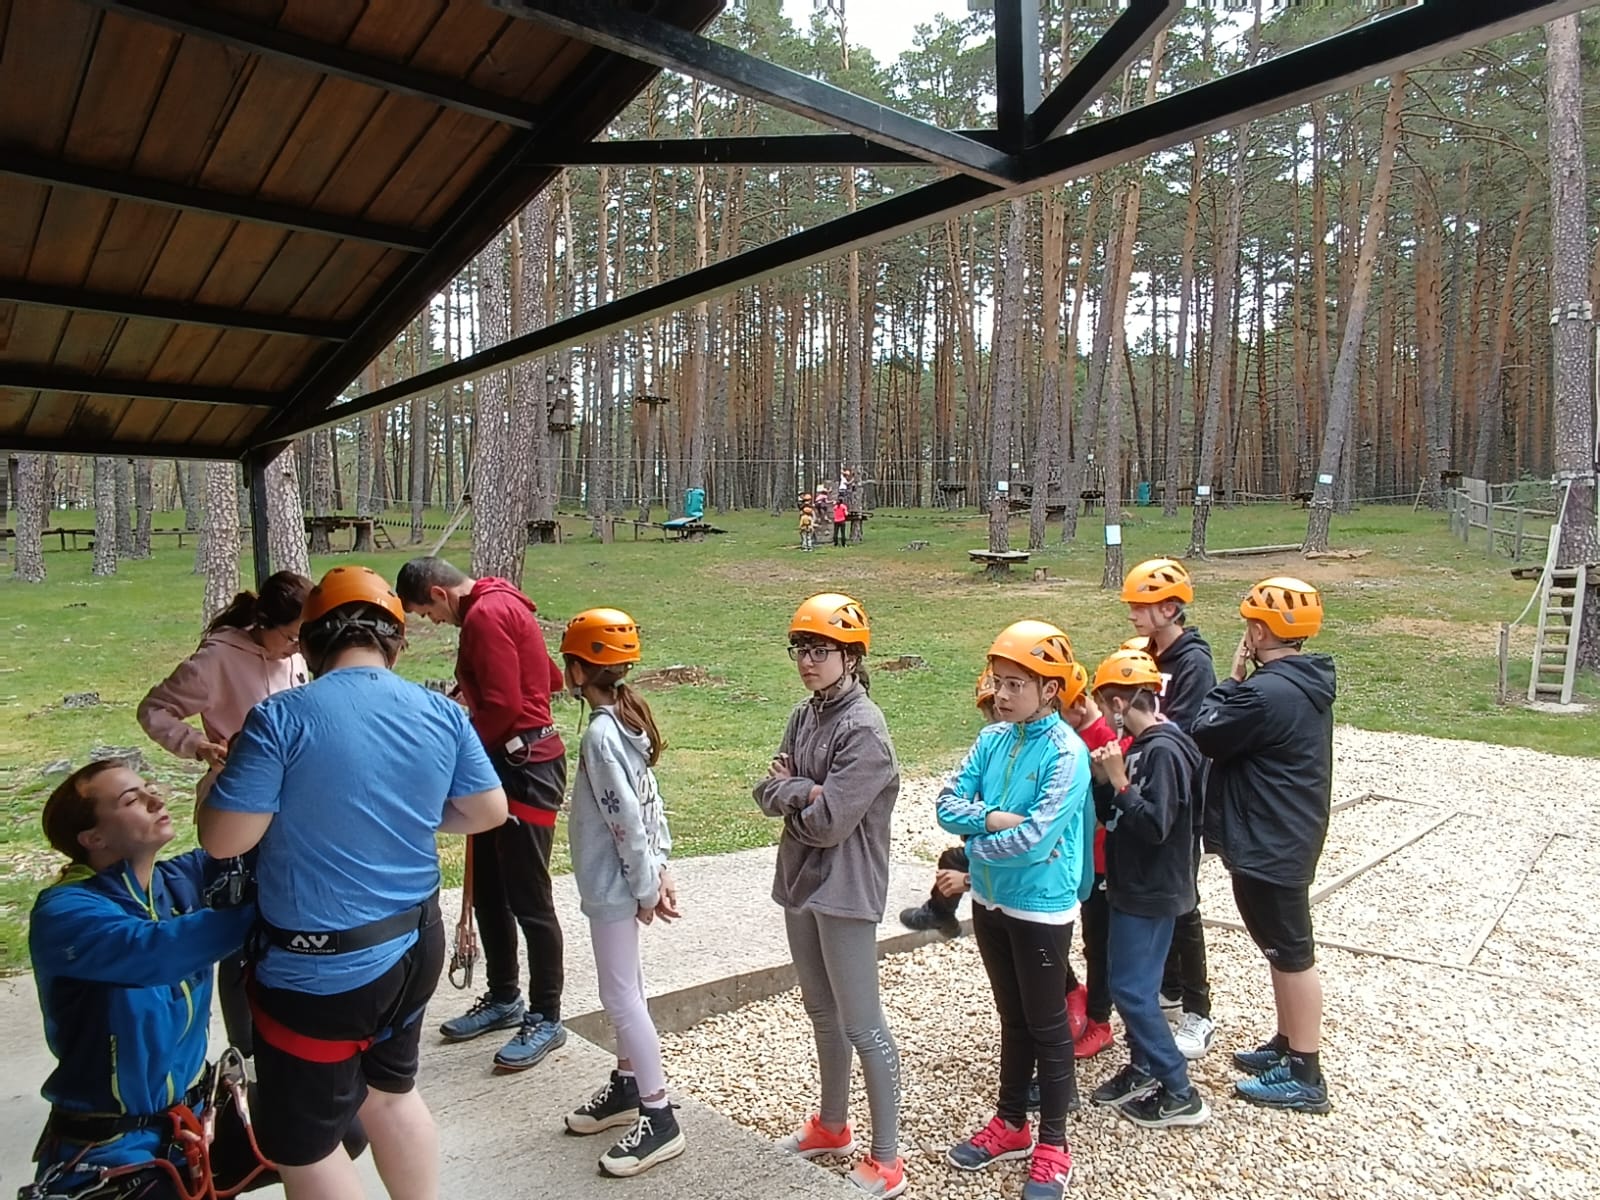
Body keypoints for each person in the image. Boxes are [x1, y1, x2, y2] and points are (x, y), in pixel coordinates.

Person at [198, 566, 508, 1200]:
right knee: (391, 1095)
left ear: (310, 643)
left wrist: (212, 788)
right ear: (395, 642)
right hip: (413, 948)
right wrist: (412, 814)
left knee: (304, 1147)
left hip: (319, 970)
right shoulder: (440, 712)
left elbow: (225, 840)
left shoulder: (279, 717)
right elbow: (487, 810)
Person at [26, 760, 269, 1200]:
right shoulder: (64, 913)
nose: (155, 799)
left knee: (334, 1127)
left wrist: (246, 782)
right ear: (93, 839)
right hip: (112, 1147)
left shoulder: (176, 882)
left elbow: (261, 847)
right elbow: (157, 951)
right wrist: (277, 908)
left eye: (148, 787)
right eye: (131, 800)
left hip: (195, 1121)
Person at [754, 593, 905, 1199]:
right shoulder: (803, 714)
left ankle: (888, 1159)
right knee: (821, 1011)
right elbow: (766, 791)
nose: (807, 661)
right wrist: (803, 791)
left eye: (821, 650)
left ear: (851, 656)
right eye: (800, 649)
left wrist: (796, 794)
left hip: (846, 888)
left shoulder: (864, 728)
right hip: (800, 882)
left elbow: (829, 824)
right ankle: (833, 1125)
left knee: (863, 1024)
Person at [937, 620, 1092, 1200]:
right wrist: (993, 820)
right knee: (1012, 1017)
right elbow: (946, 804)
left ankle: (1054, 1145)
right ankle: (1011, 1123)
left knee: (1047, 1025)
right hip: (990, 900)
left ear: (1050, 689)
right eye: (997, 681)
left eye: (1014, 685)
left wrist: (974, 848)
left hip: (1041, 907)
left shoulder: (1068, 753)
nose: (1000, 695)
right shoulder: (992, 739)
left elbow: (1036, 841)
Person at [395, 556, 568, 1071]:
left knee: (529, 900)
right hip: (507, 763)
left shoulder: (485, 616)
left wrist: (452, 748)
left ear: (438, 593)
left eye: (426, 613)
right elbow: (548, 679)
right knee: (490, 892)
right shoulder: (500, 604)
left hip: (524, 768)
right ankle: (504, 995)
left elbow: (504, 706)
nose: (433, 621)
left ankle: (547, 1015)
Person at [137, 569, 311, 1058]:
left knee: (285, 918)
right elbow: (154, 709)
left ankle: (287, 1031)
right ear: (265, 623)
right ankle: (245, 1048)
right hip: (236, 807)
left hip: (290, 809)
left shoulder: (295, 657)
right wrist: (196, 744)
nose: (298, 648)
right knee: (238, 929)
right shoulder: (217, 659)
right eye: (292, 636)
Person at [1190, 577, 1336, 1114]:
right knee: (1279, 946)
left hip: (1271, 840)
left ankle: (1305, 1073)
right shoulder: (1302, 683)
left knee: (1292, 953)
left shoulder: (1263, 693)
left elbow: (1206, 731)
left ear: (1257, 631)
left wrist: (1229, 680)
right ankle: (1287, 1042)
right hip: (1285, 832)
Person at [559, 608, 686, 1177]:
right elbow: (649, 803)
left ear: (577, 671)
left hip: (614, 886)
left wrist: (645, 886)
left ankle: (659, 1118)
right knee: (628, 989)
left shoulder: (600, 735)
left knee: (620, 998)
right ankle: (629, 1084)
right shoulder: (624, 722)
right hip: (627, 879)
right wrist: (659, 870)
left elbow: (625, 821)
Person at [1084, 650, 1210, 1129]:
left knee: (1132, 991)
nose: (1102, 713)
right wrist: (1105, 782)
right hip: (1130, 884)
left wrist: (1120, 781)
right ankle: (1143, 1067)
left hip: (1152, 890)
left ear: (1119, 702)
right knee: (1131, 983)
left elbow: (1156, 825)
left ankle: (1179, 1090)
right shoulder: (1136, 745)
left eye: (1103, 704)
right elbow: (1113, 815)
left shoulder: (1165, 751)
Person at [1120, 557, 1217, 1060]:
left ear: (1171, 608)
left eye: (1142, 605)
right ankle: (1170, 988)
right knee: (1159, 897)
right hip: (1145, 787)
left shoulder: (1193, 663)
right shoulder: (1145, 654)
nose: (1133, 613)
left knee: (1182, 901)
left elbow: (1188, 732)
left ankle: (1199, 1011)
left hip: (1179, 797)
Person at [898, 669, 998, 938]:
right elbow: (954, 794)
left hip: (1007, 857)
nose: (994, 718)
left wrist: (967, 880)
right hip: (985, 841)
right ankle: (940, 913)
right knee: (953, 859)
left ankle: (940, 912)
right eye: (990, 713)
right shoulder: (988, 745)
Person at [1057, 663, 1122, 1061]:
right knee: (1083, 937)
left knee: (1100, 943)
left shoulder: (1104, 738)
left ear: (1079, 704)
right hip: (1082, 858)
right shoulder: (1076, 735)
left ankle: (1100, 1021)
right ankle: (1081, 997)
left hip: (1102, 860)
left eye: (1060, 711)